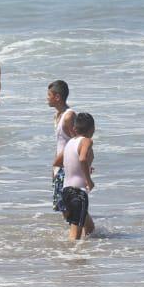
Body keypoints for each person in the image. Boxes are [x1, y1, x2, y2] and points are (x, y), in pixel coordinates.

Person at [55, 112, 96, 240]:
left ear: (74, 128)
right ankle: (70, 259)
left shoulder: (70, 143)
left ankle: (85, 253)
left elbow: (57, 162)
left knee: (90, 229)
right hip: (78, 193)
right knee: (74, 238)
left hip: (66, 192)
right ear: (93, 129)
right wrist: (89, 181)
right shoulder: (87, 141)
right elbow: (83, 159)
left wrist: (77, 168)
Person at [47, 80, 76, 215]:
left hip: (69, 167)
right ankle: (81, 234)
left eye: (49, 95)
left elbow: (76, 141)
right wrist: (54, 168)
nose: (47, 98)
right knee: (62, 207)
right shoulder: (57, 115)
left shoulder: (69, 116)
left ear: (57, 97)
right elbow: (60, 143)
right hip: (60, 167)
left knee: (70, 207)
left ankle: (85, 232)